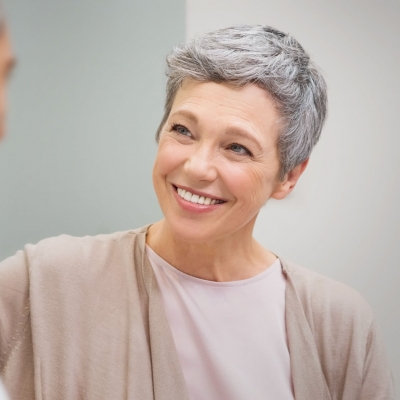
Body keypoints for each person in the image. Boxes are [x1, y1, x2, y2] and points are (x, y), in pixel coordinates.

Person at [0, 25, 394, 400]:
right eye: (183, 131)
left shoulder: (340, 325)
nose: (196, 167)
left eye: (237, 148)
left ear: (289, 176)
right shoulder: (43, 282)